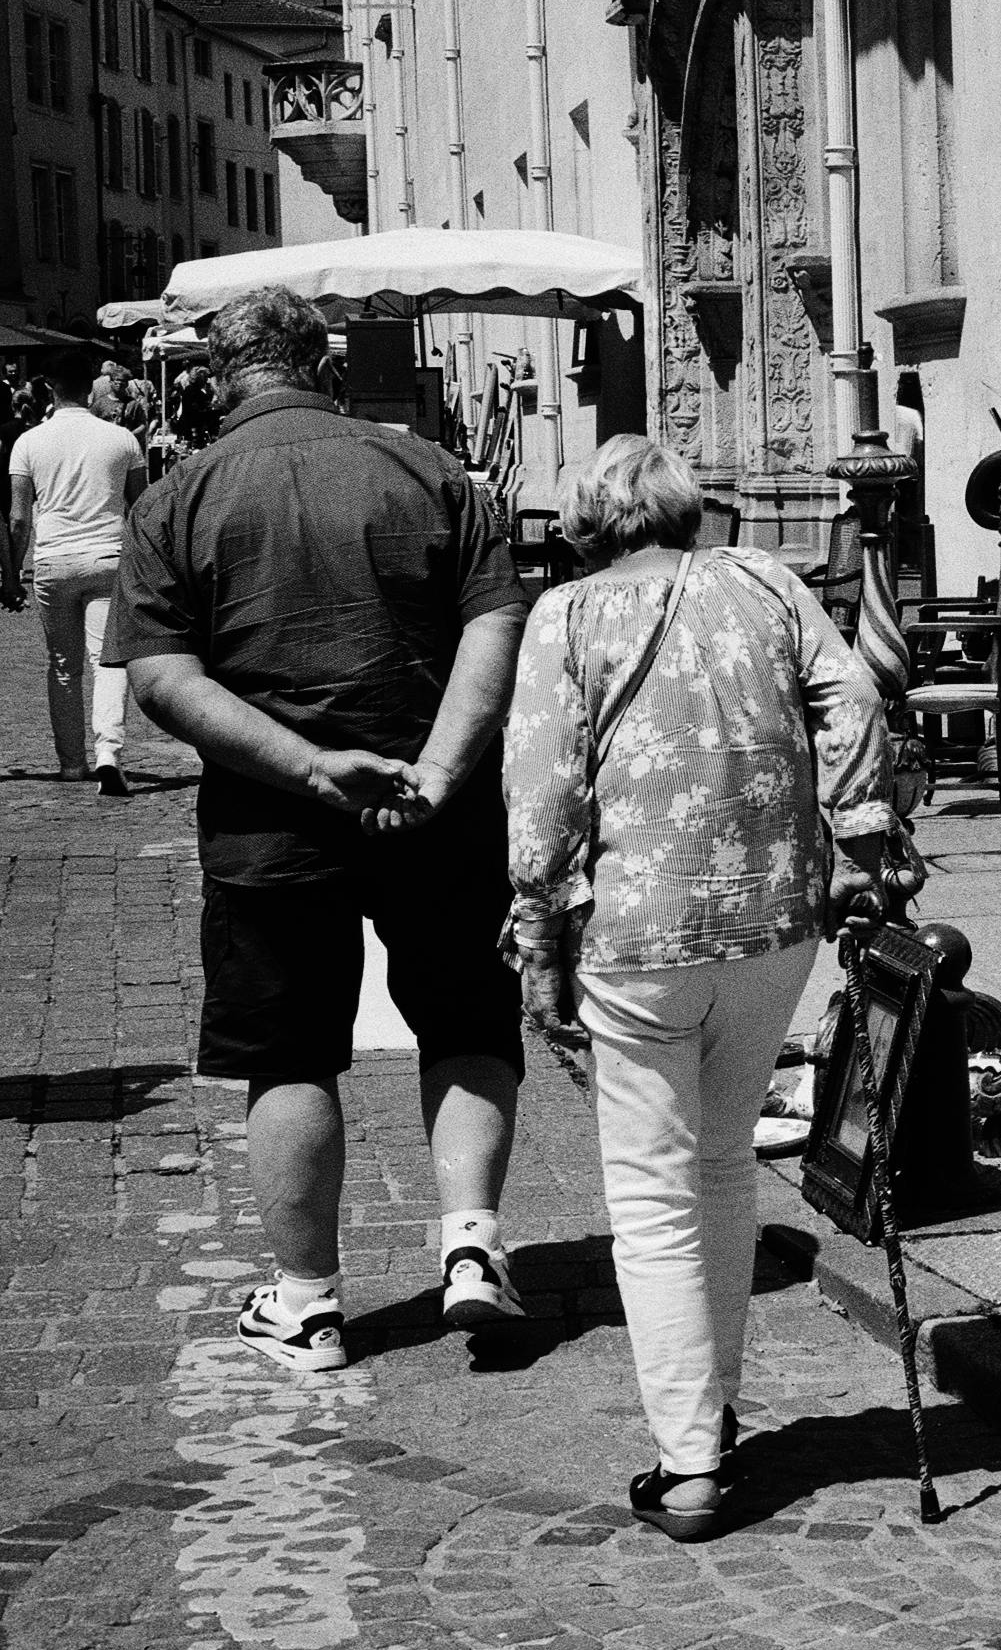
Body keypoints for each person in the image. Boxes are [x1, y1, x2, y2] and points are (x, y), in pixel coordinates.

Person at [109, 285, 532, 1374]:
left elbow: (160, 678)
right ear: (326, 366)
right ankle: (474, 1247)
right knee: (466, 1015)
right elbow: (499, 618)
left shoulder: (178, 497)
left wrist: (306, 765)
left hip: (270, 815)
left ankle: (307, 1302)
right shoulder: (434, 469)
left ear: (218, 379)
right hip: (434, 806)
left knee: (289, 1052)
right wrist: (437, 769)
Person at [503, 434, 915, 1542]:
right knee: (724, 1160)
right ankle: (716, 1409)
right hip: (771, 921)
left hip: (639, 932)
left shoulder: (568, 615)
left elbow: (539, 794)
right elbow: (857, 697)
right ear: (691, 508)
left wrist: (538, 929)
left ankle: (689, 1459)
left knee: (649, 1189)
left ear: (591, 521)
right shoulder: (768, 581)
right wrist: (862, 835)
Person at [6, 353, 148, 793]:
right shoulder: (122, 438)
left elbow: (17, 518)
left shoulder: (29, 442)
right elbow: (141, 509)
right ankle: (109, 751)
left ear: (49, 387)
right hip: (108, 556)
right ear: (91, 388)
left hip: (53, 559)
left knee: (62, 665)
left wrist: (11, 575)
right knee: (108, 660)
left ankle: (71, 763)